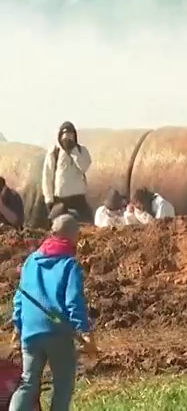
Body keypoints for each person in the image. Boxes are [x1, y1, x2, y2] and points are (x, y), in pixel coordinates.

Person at [10, 214, 96, 411]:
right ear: (73, 236)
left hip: (30, 330)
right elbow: (73, 301)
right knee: (62, 386)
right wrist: (85, 332)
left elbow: (20, 296)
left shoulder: (31, 261)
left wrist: (18, 325)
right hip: (57, 331)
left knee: (28, 382)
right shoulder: (69, 264)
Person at [42, 122, 92, 221]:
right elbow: (47, 177)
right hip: (61, 200)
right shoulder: (54, 152)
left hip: (79, 199)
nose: (67, 140)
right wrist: (49, 200)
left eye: (70, 136)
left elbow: (84, 166)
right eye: (65, 137)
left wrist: (73, 151)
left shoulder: (81, 150)